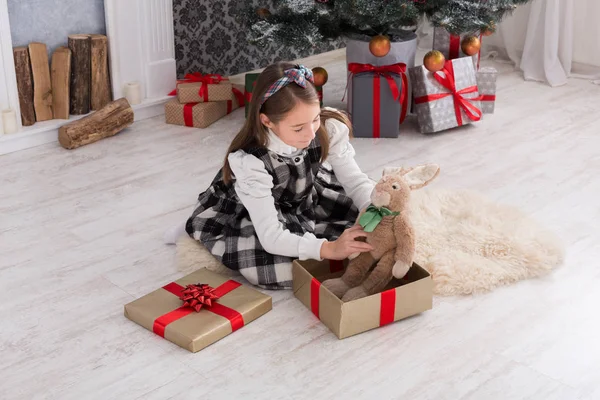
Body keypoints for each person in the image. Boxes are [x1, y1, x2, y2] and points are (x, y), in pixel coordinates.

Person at [165, 62, 375, 290]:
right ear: (267, 121)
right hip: (253, 207)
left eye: (314, 119)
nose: (311, 133)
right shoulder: (251, 162)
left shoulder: (327, 128)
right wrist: (329, 249)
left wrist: (375, 210)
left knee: (360, 224)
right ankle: (192, 227)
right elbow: (271, 237)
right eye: (298, 128)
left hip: (302, 195)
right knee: (282, 269)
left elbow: (355, 180)